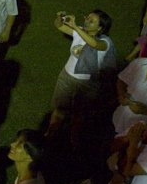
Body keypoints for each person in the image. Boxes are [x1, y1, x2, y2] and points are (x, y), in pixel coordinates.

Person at [46, 10, 115, 140]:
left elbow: (94, 44)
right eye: (87, 18)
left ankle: (73, 143)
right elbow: (59, 26)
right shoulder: (80, 32)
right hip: (66, 77)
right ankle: (50, 136)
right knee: (59, 109)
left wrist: (76, 27)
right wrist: (60, 18)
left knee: (79, 116)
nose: (87, 21)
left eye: (92, 21)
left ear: (100, 27)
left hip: (86, 84)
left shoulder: (105, 42)